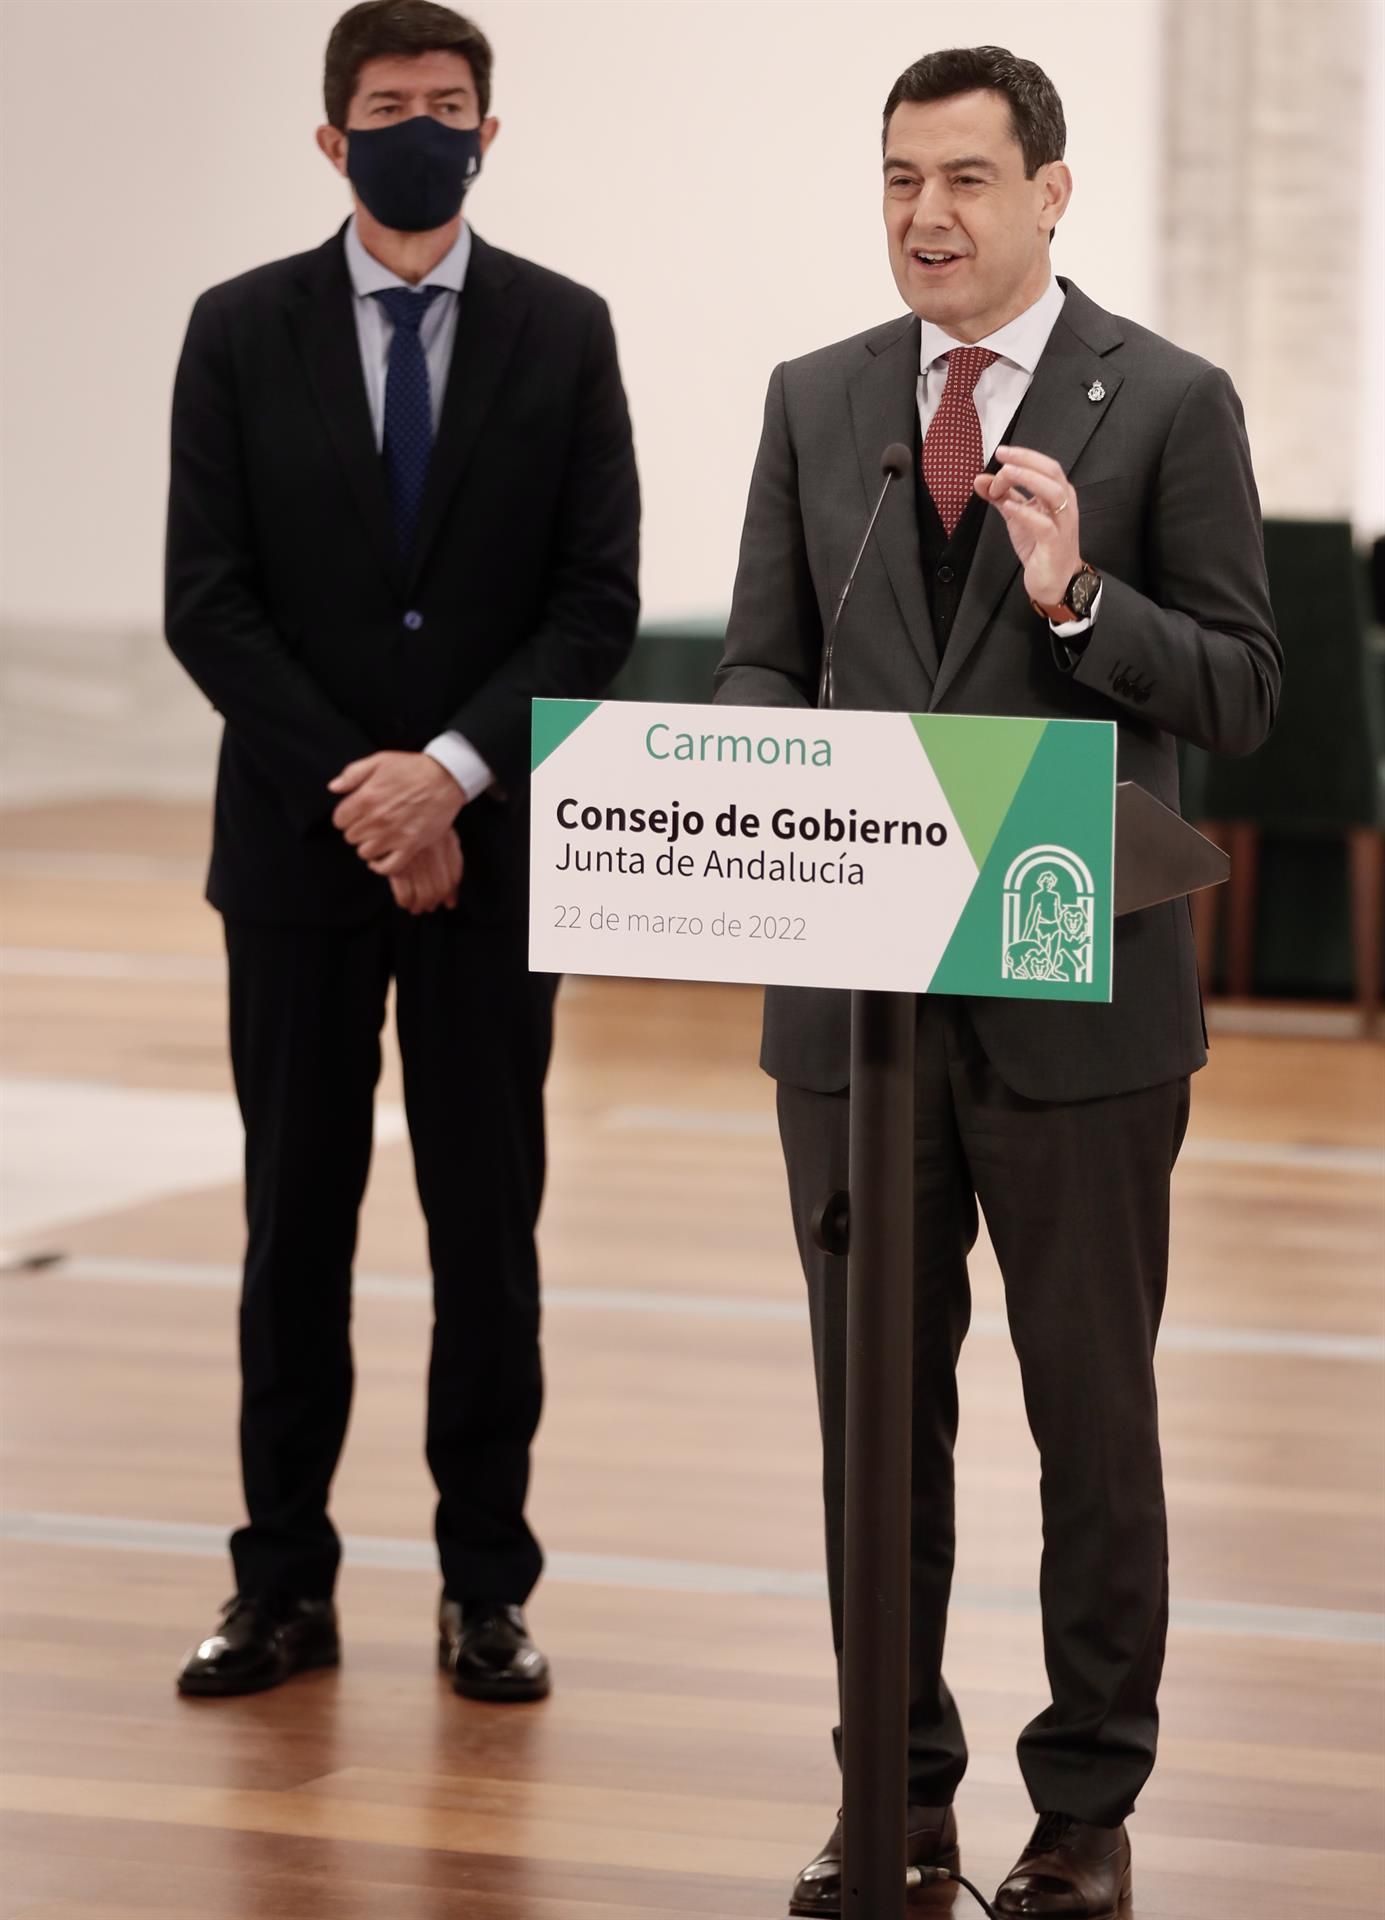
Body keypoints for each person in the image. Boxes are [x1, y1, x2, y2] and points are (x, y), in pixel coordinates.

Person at [714, 45, 1279, 1920]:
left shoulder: (1168, 404)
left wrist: (1074, 606)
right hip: (852, 1021)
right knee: (872, 1418)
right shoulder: (819, 402)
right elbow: (762, 668)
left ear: (1051, 192)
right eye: (896, 181)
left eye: (963, 180)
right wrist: (739, 768)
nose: (924, 218)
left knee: (1089, 1419)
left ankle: (1086, 1811)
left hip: (1076, 1010)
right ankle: (896, 1795)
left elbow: (1243, 691)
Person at [165, 0, 639, 1704]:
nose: (418, 127)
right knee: (295, 1222)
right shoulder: (237, 330)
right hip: (297, 858)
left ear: (489, 134)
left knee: (483, 1229)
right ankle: (278, 1579)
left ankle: (484, 1588)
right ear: (330, 137)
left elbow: (596, 603)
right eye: (387, 105)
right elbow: (206, 604)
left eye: (448, 104)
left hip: (499, 852)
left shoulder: (564, 332)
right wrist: (367, 796)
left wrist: (446, 776)